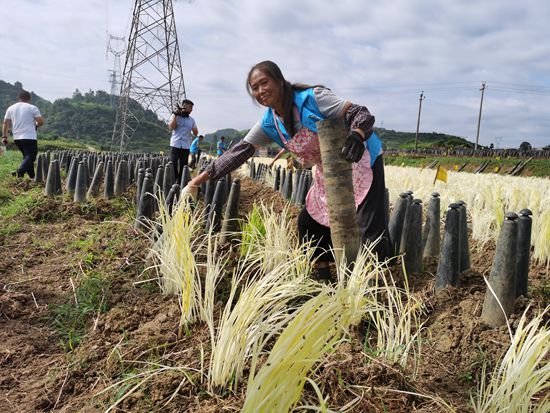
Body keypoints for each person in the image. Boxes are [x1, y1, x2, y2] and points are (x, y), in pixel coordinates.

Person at [183, 61, 391, 275]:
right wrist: (196, 181)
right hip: (329, 171)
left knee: (368, 225)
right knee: (310, 224)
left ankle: (382, 283)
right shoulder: (269, 123)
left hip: (361, 158)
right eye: (254, 88)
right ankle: (325, 275)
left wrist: (356, 135)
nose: (261, 90)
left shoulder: (312, 98)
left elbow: (361, 113)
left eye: (265, 82)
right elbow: (238, 153)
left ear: (280, 81)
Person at [2, 90, 44, 178]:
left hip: (17, 138)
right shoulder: (32, 108)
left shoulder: (11, 108)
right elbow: (40, 122)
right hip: (29, 137)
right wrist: (36, 125)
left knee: (27, 157)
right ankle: (19, 172)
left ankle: (32, 176)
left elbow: (5, 123)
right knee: (31, 156)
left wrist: (5, 136)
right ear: (29, 99)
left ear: (18, 98)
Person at [168, 98, 198, 183]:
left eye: (192, 108)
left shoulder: (192, 120)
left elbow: (196, 133)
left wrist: (194, 129)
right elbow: (171, 127)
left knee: (183, 165)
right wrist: (175, 115)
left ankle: (180, 182)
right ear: (183, 106)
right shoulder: (175, 116)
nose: (191, 110)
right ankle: (173, 181)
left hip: (185, 145)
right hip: (175, 144)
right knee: (173, 163)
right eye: (190, 107)